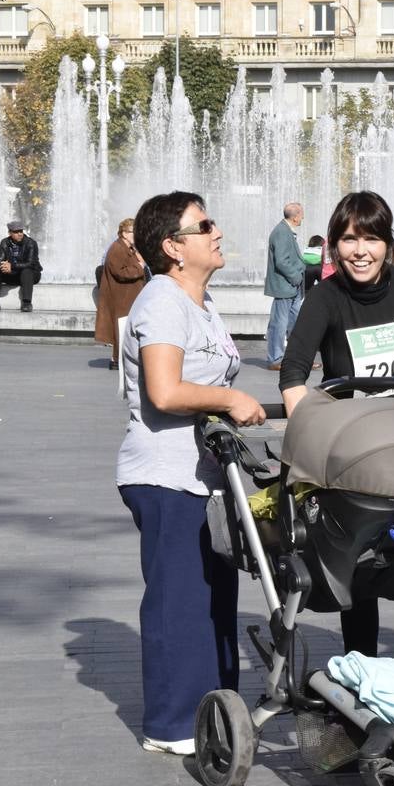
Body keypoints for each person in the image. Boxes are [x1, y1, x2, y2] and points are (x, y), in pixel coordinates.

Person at [278, 191, 394, 673]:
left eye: (371, 239)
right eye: (349, 239)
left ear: (387, 242)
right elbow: (293, 374)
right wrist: (311, 440)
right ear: (334, 244)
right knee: (359, 571)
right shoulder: (326, 296)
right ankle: (362, 674)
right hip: (358, 454)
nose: (360, 251)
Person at [116, 190, 266, 755]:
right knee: (178, 598)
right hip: (163, 473)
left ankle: (214, 710)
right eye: (204, 225)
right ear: (173, 247)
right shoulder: (161, 300)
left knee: (213, 595)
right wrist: (229, 397)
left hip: (205, 475)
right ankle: (173, 725)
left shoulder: (200, 302)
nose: (217, 231)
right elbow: (164, 391)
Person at [95, 218, 149, 369]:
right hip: (121, 297)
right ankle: (116, 360)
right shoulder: (117, 248)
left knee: (125, 329)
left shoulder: (128, 248)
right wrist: (139, 266)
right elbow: (119, 272)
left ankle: (119, 359)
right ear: (124, 233)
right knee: (121, 329)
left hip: (127, 295)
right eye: (133, 232)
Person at [264, 202, 306, 370]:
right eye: (302, 214)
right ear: (295, 216)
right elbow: (281, 261)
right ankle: (275, 359)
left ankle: (296, 358)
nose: (303, 217)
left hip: (291, 286)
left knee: (295, 322)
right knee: (279, 324)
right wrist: (296, 277)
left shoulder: (286, 230)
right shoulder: (281, 232)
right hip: (285, 286)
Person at [0, 220, 41, 311]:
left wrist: (11, 266)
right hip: (13, 274)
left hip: (31, 274)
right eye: (16, 232)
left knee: (27, 271)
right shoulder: (4, 242)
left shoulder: (30, 243)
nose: (20, 234)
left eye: (21, 231)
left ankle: (27, 303)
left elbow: (31, 263)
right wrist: (4, 267)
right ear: (10, 233)